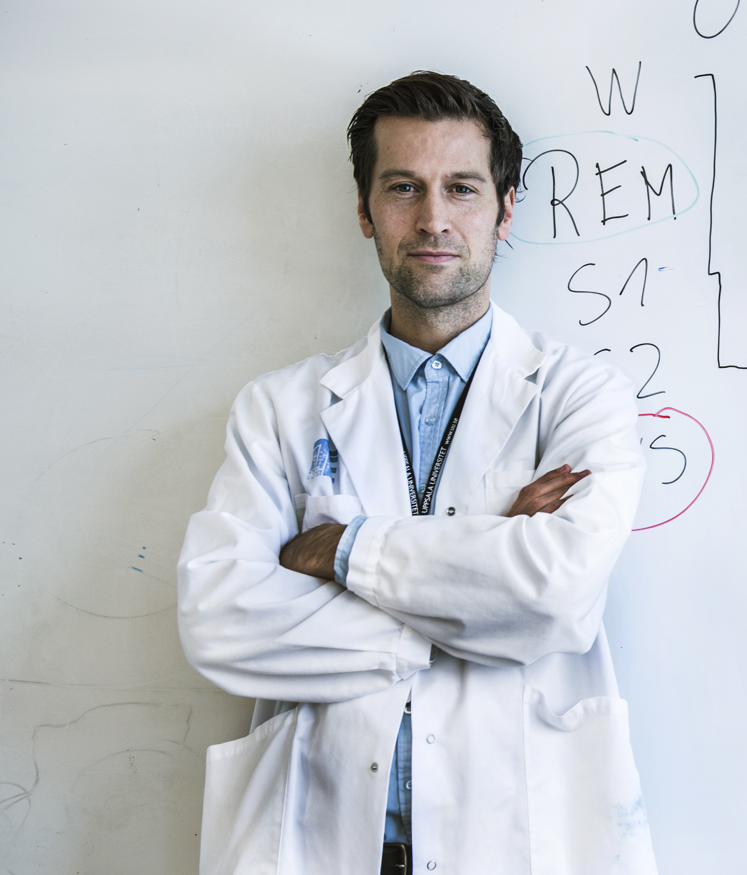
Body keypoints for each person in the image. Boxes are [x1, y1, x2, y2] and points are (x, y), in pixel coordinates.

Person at [177, 71, 657, 875]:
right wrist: (480, 577)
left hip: (514, 837)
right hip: (322, 834)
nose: (433, 219)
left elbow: (558, 594)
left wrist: (340, 554)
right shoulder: (279, 409)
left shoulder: (580, 395)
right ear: (364, 211)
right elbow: (218, 617)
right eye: (403, 188)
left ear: (505, 209)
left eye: (462, 188)